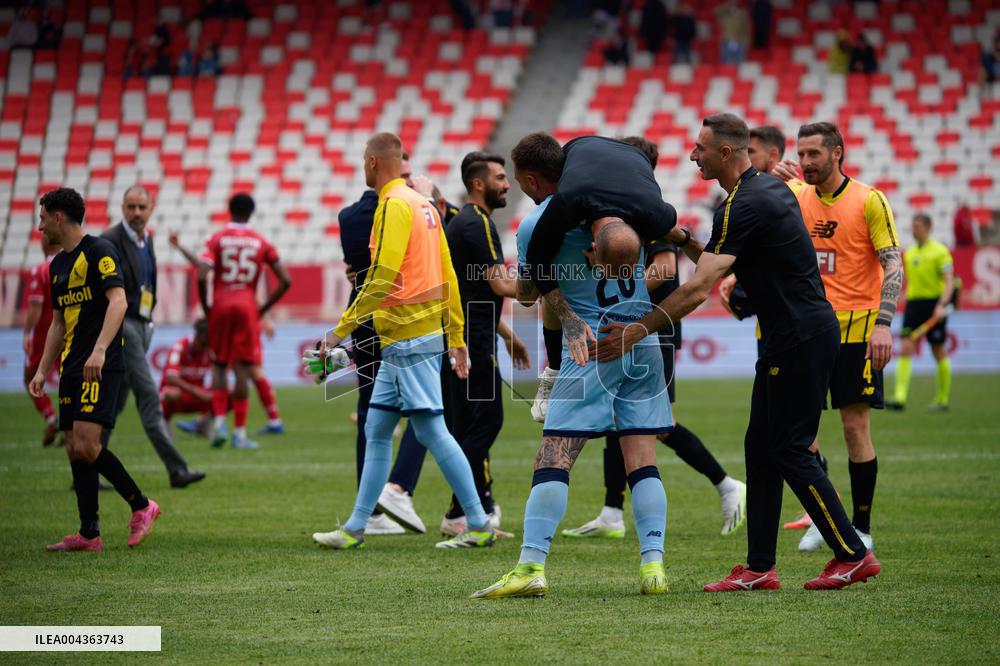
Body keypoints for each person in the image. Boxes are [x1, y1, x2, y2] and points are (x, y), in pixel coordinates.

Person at [593, 114, 881, 591]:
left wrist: (634, 332)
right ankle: (759, 569)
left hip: (798, 338)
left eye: (699, 148)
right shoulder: (762, 193)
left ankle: (851, 553)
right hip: (797, 335)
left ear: (724, 154)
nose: (692, 155)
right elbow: (717, 258)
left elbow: (699, 287)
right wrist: (683, 238)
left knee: (788, 447)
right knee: (760, 448)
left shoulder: (741, 203)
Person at [470, 133, 671, 600]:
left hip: (590, 348)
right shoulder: (628, 213)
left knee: (554, 455)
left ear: (535, 179)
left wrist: (528, 288)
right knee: (641, 457)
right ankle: (653, 568)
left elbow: (527, 291)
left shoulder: (538, 222)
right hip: (640, 338)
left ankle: (530, 565)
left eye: (522, 182)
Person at [544, 136, 747, 539]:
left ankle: (726, 484)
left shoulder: (645, 212)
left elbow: (664, 269)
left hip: (653, 327)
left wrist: (621, 283)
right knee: (618, 420)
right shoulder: (622, 207)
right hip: (626, 325)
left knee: (655, 425)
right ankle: (612, 511)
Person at [305, 132, 495, 551]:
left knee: (432, 431)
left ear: (372, 162)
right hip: (410, 337)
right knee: (377, 429)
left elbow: (382, 276)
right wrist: (457, 336)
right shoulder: (425, 206)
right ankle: (355, 527)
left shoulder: (393, 205)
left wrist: (338, 331)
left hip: (408, 336)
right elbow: (448, 274)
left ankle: (479, 522)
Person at [30, 188, 160, 552]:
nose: (39, 227)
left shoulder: (100, 251)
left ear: (58, 217)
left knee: (88, 445)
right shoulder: (57, 266)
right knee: (73, 447)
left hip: (100, 365)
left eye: (43, 219)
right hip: (71, 366)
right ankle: (89, 533)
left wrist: (100, 350)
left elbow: (118, 301)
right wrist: (42, 370)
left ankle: (141, 505)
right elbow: (58, 323)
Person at [793, 121, 901, 553]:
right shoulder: (796, 196)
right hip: (808, 332)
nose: (805, 163)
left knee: (855, 427)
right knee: (801, 433)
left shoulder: (869, 200)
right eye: (801, 155)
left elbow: (893, 264)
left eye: (813, 154)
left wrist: (884, 323)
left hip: (859, 330)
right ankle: (826, 515)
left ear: (837, 153)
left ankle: (861, 526)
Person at [335, 151, 439, 536]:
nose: (410, 180)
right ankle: (399, 489)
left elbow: (359, 267)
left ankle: (372, 512)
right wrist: (429, 201)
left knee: (370, 414)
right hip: (403, 321)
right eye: (407, 174)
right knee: (427, 411)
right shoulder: (408, 207)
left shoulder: (348, 217)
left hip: (364, 323)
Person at [522, 135, 678, 363]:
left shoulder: (659, 216)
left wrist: (688, 240)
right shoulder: (565, 204)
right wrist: (568, 318)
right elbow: (537, 261)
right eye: (605, 271)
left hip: (630, 160)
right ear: (592, 247)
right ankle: (553, 368)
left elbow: (673, 242)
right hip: (580, 145)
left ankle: (553, 369)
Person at [440, 151, 527, 536]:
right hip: (471, 343)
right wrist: (547, 286)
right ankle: (462, 511)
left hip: (468, 335)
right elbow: (498, 284)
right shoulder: (476, 224)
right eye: (499, 177)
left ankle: (469, 512)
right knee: (487, 423)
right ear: (478, 184)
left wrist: (507, 335)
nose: (507, 184)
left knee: (469, 426)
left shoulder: (467, 222)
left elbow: (474, 289)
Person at [102, 186, 205, 488]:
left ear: (150, 209)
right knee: (149, 396)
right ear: (122, 207)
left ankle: (88, 464)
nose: (136, 213)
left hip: (142, 324)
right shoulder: (109, 240)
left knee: (114, 402)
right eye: (131, 206)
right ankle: (177, 470)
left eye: (141, 207)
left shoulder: (146, 239)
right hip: (123, 326)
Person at [167, 230, 286, 438]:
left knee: (237, 368)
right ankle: (213, 422)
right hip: (242, 318)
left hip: (229, 317)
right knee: (237, 368)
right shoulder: (242, 267)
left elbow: (201, 267)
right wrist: (180, 247)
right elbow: (200, 266)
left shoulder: (221, 265)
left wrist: (265, 319)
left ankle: (269, 421)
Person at [198, 193, 292, 449]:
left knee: (219, 365)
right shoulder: (261, 241)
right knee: (242, 368)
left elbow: (201, 274)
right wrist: (262, 309)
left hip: (220, 304)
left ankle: (219, 424)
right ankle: (239, 434)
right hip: (247, 307)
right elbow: (286, 280)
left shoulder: (215, 238)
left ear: (229, 210)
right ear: (251, 213)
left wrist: (208, 308)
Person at [887, 214, 955, 412]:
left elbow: (949, 281)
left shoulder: (940, 251)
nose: (913, 229)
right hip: (914, 306)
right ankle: (899, 398)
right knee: (906, 346)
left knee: (938, 350)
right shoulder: (908, 253)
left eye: (917, 226)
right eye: (912, 226)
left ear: (928, 226)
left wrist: (942, 304)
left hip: (934, 305)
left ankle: (942, 400)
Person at [23, 234, 61, 446]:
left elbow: (35, 307)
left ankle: (51, 417)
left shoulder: (41, 270)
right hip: (69, 332)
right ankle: (71, 426)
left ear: (45, 242)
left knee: (30, 376)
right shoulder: (71, 264)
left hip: (45, 334)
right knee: (71, 380)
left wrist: (26, 333)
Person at [160, 318, 216, 430]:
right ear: (202, 336)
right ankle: (165, 425)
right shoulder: (180, 346)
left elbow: (220, 375)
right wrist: (197, 391)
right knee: (171, 394)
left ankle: (202, 424)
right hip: (181, 395)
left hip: (197, 395)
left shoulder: (210, 350)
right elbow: (170, 378)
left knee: (228, 394)